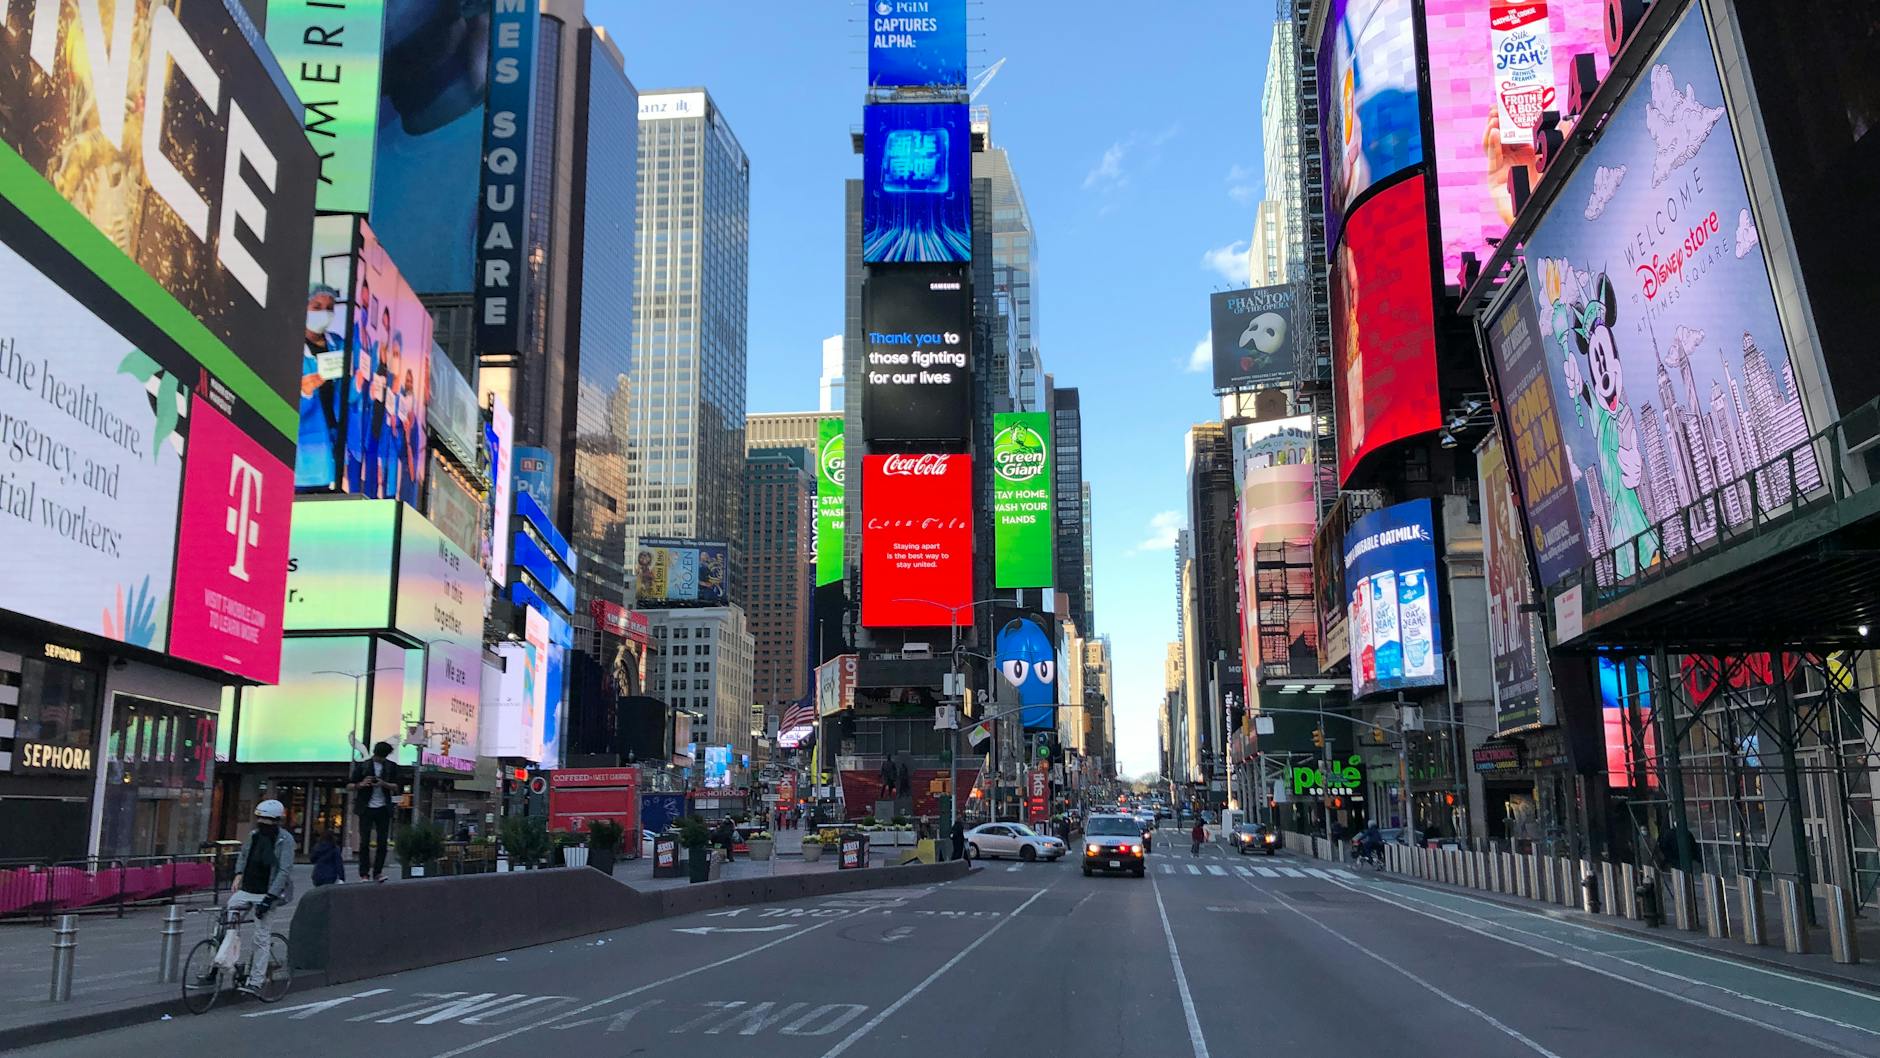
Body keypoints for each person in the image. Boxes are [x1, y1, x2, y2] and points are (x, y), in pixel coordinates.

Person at [229, 800, 296, 997]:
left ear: (276, 821)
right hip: (247, 888)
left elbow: (284, 870)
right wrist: (239, 874)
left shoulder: (285, 840)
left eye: (266, 819)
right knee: (226, 921)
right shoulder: (254, 835)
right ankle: (222, 963)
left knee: (261, 937)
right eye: (259, 818)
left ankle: (256, 981)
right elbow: (243, 855)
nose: (262, 823)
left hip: (266, 892)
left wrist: (270, 897)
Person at [348, 742, 401, 882]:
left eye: (383, 757)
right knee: (364, 842)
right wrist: (361, 784)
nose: (381, 759)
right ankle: (364, 874)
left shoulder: (391, 767)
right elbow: (349, 785)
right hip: (366, 807)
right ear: (375, 753)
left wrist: (383, 783)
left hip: (383, 808)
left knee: (382, 842)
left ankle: (378, 872)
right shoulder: (363, 766)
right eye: (379, 757)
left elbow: (396, 786)